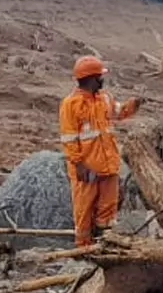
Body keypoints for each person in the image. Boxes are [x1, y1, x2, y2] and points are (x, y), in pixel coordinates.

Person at [60, 56, 141, 247]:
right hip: (87, 170)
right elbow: (69, 138)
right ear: (91, 79)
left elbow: (118, 112)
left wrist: (133, 105)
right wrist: (78, 164)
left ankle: (104, 246)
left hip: (108, 166)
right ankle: (83, 251)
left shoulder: (104, 98)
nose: (102, 80)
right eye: (99, 76)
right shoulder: (71, 104)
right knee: (84, 212)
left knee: (108, 211)